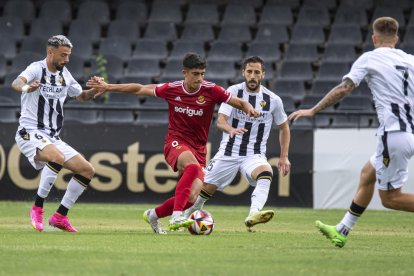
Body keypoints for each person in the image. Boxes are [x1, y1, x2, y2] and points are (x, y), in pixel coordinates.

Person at [86, 52, 259, 234]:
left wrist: (247, 106)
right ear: (185, 73)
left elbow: (236, 101)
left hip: (199, 149)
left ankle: (153, 215)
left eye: (202, 74)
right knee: (191, 166)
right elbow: (139, 89)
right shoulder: (172, 88)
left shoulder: (211, 90)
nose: (200, 78)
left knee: (192, 198)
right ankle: (177, 216)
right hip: (176, 142)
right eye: (195, 74)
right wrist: (108, 87)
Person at [288, 17, 414, 248]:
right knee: (367, 173)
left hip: (393, 133)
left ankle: (343, 228)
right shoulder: (410, 60)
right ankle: (342, 229)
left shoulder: (369, 58)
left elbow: (345, 87)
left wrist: (314, 109)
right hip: (408, 133)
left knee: (390, 199)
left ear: (374, 38)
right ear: (396, 38)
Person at [182, 56, 291, 231]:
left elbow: (284, 128)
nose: (253, 76)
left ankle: (254, 213)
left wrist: (284, 157)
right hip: (228, 152)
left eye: (257, 72)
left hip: (254, 154)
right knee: (203, 190)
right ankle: (186, 217)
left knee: (266, 172)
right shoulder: (233, 92)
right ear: (243, 73)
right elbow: (220, 121)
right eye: (249, 71)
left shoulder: (273, 100)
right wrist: (230, 129)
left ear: (263, 74)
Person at [12, 35, 101, 232]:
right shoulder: (36, 68)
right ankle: (37, 208)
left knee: (87, 170)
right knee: (57, 157)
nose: (66, 59)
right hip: (30, 131)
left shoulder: (65, 75)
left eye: (68, 55)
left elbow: (82, 96)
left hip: (52, 136)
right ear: (50, 52)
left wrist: (95, 90)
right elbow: (16, 83)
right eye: (63, 55)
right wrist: (27, 87)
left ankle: (60, 216)